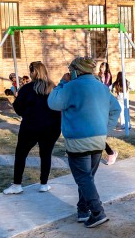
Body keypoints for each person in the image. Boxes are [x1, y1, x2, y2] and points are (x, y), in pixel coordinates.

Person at [47, 56, 121, 228]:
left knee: (83, 178)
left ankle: (97, 212)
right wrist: (105, 129)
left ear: (75, 71)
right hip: (98, 139)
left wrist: (62, 83)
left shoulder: (71, 86)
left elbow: (53, 103)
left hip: (78, 140)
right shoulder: (101, 87)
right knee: (87, 178)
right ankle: (82, 210)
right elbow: (115, 109)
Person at [3, 61, 62, 195]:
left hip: (31, 127)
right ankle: (44, 183)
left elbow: (18, 108)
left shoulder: (27, 89)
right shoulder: (54, 88)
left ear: (33, 72)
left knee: (21, 154)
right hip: (51, 127)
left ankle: (17, 184)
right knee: (45, 155)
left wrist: (24, 108)